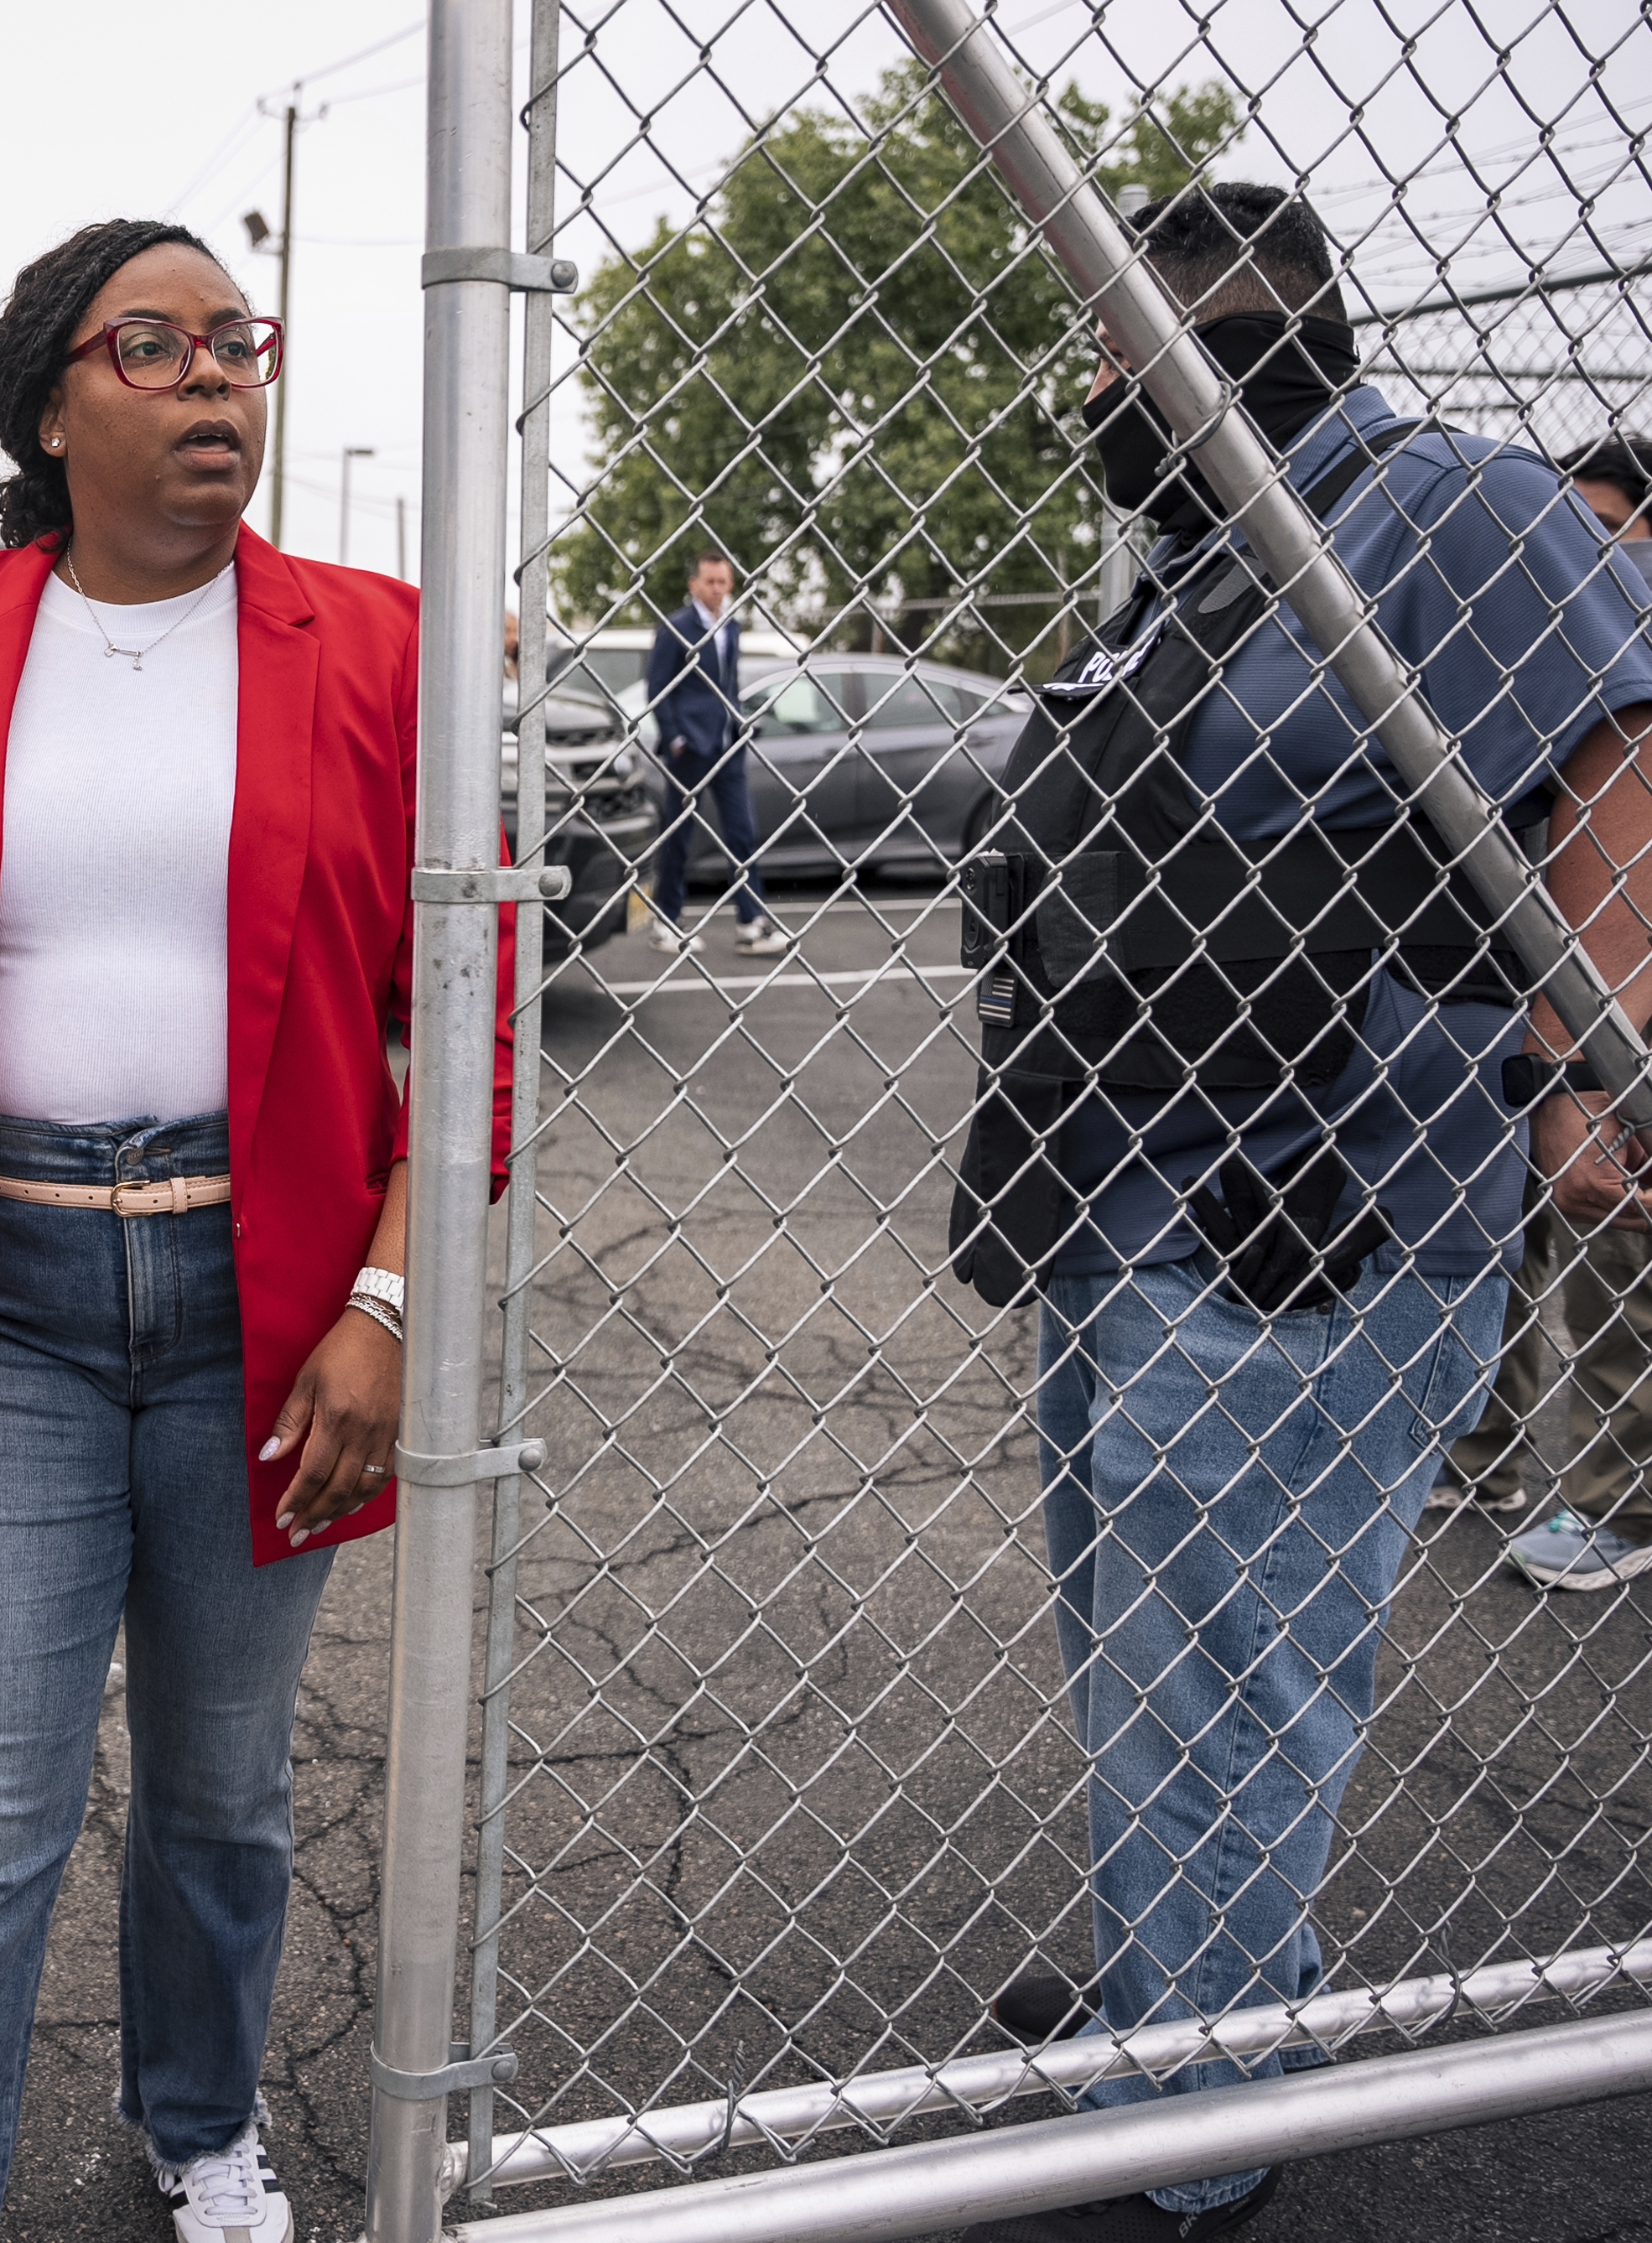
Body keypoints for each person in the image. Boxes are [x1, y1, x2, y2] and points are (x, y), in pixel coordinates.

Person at [0, 217, 509, 2243]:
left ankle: (197, 2118)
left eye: (234, 344)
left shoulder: (376, 643)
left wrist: (389, 1298)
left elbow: (470, 1016)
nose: (212, 382)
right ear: (49, 403)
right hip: (2, 1297)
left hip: (270, 1302)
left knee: (220, 1799)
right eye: (150, 348)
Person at [946, 186, 1652, 2243]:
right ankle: (1184, 2005)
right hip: (1128, 1200)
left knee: (1235, 1674)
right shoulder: (1191, 563)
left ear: (1225, 338)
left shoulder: (1438, 506)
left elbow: (1620, 749)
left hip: (1309, 1218)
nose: (1090, 388)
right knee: (1149, 1656)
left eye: (1113, 345)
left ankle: (1203, 2137)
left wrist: (1591, 1055)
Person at [1488, 434, 1652, 1589]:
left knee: (1610, 1255)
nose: (1579, 560)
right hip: (1527, 988)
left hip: (1619, 1006)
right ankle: (1481, 1448)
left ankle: (1619, 1504)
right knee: (1500, 1227)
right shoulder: (1536, 651)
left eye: (1602, 535)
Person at [643, 553, 787, 958]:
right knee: (680, 836)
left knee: (743, 832)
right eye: (709, 582)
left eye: (723, 582)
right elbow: (658, 686)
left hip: (727, 745)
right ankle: (666, 921)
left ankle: (751, 923)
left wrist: (739, 720)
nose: (717, 589)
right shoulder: (676, 627)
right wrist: (674, 737)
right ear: (694, 585)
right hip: (690, 748)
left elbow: (728, 683)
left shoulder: (731, 626)